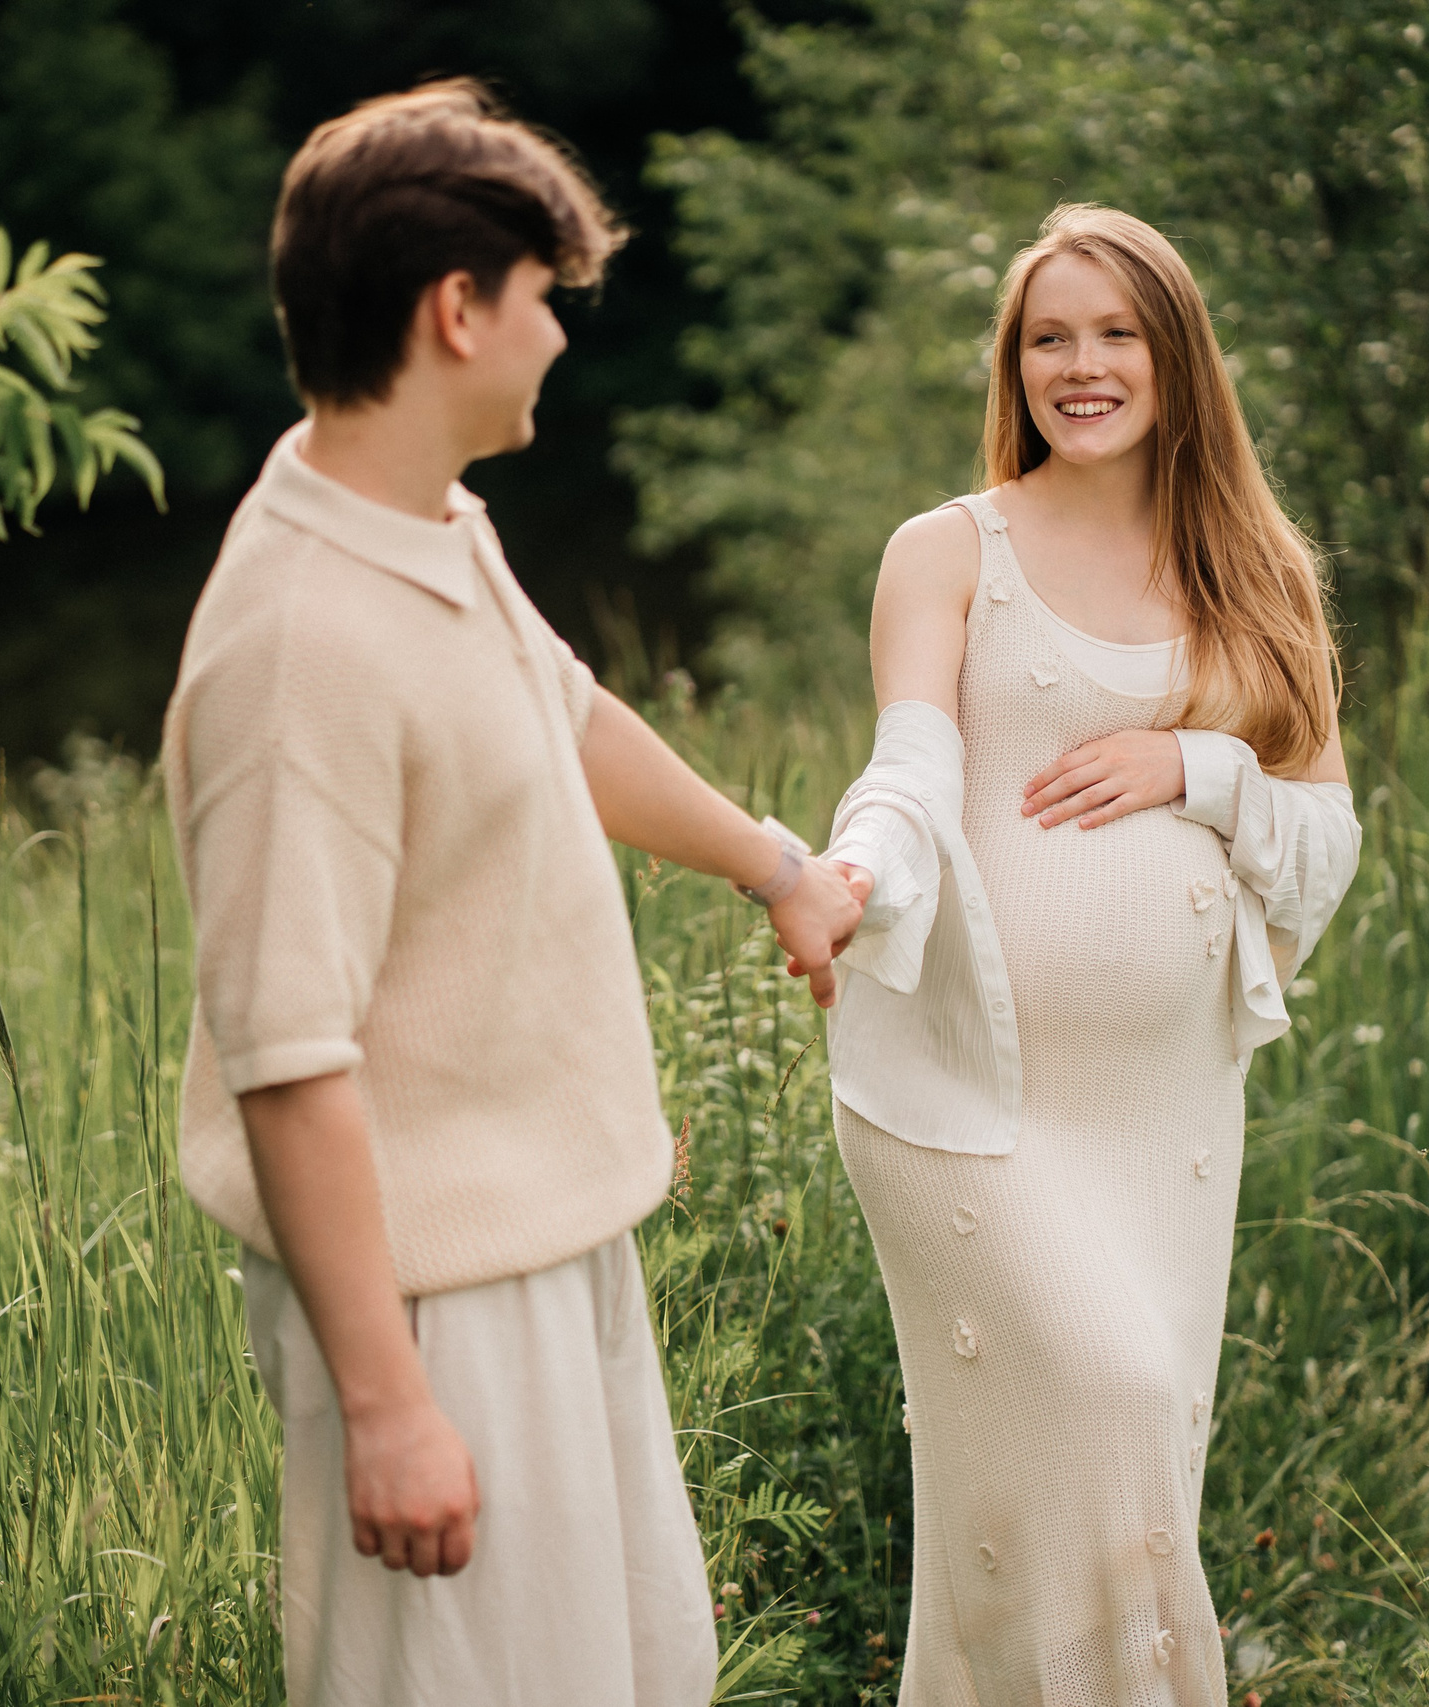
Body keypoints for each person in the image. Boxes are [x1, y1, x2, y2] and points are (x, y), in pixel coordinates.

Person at [160, 81, 866, 1707]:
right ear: (457, 310)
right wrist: (389, 1406)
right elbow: (286, 1058)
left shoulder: (424, 524)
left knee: (630, 1671)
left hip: (548, 1243)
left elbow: (566, 714)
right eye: (549, 297)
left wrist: (777, 869)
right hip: (429, 1302)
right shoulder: (299, 646)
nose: (561, 335)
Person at [820, 203, 1362, 1706]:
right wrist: (856, 872)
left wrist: (1200, 768)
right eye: (1049, 338)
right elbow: (914, 764)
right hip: (964, 1098)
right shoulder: (948, 552)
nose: (1082, 365)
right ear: (1015, 366)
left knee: (1106, 1492)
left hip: (1164, 1114)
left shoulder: (1258, 573)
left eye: (1117, 333)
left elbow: (1326, 841)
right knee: (1111, 1403)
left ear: (1177, 356)